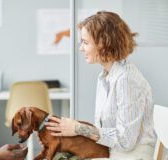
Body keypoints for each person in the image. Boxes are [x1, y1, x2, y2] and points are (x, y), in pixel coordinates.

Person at [45, 11, 156, 159]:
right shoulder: (105, 77)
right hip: (113, 152)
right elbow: (107, 131)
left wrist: (78, 128)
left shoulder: (126, 79)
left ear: (103, 43)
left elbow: (126, 140)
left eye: (86, 42)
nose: (81, 48)